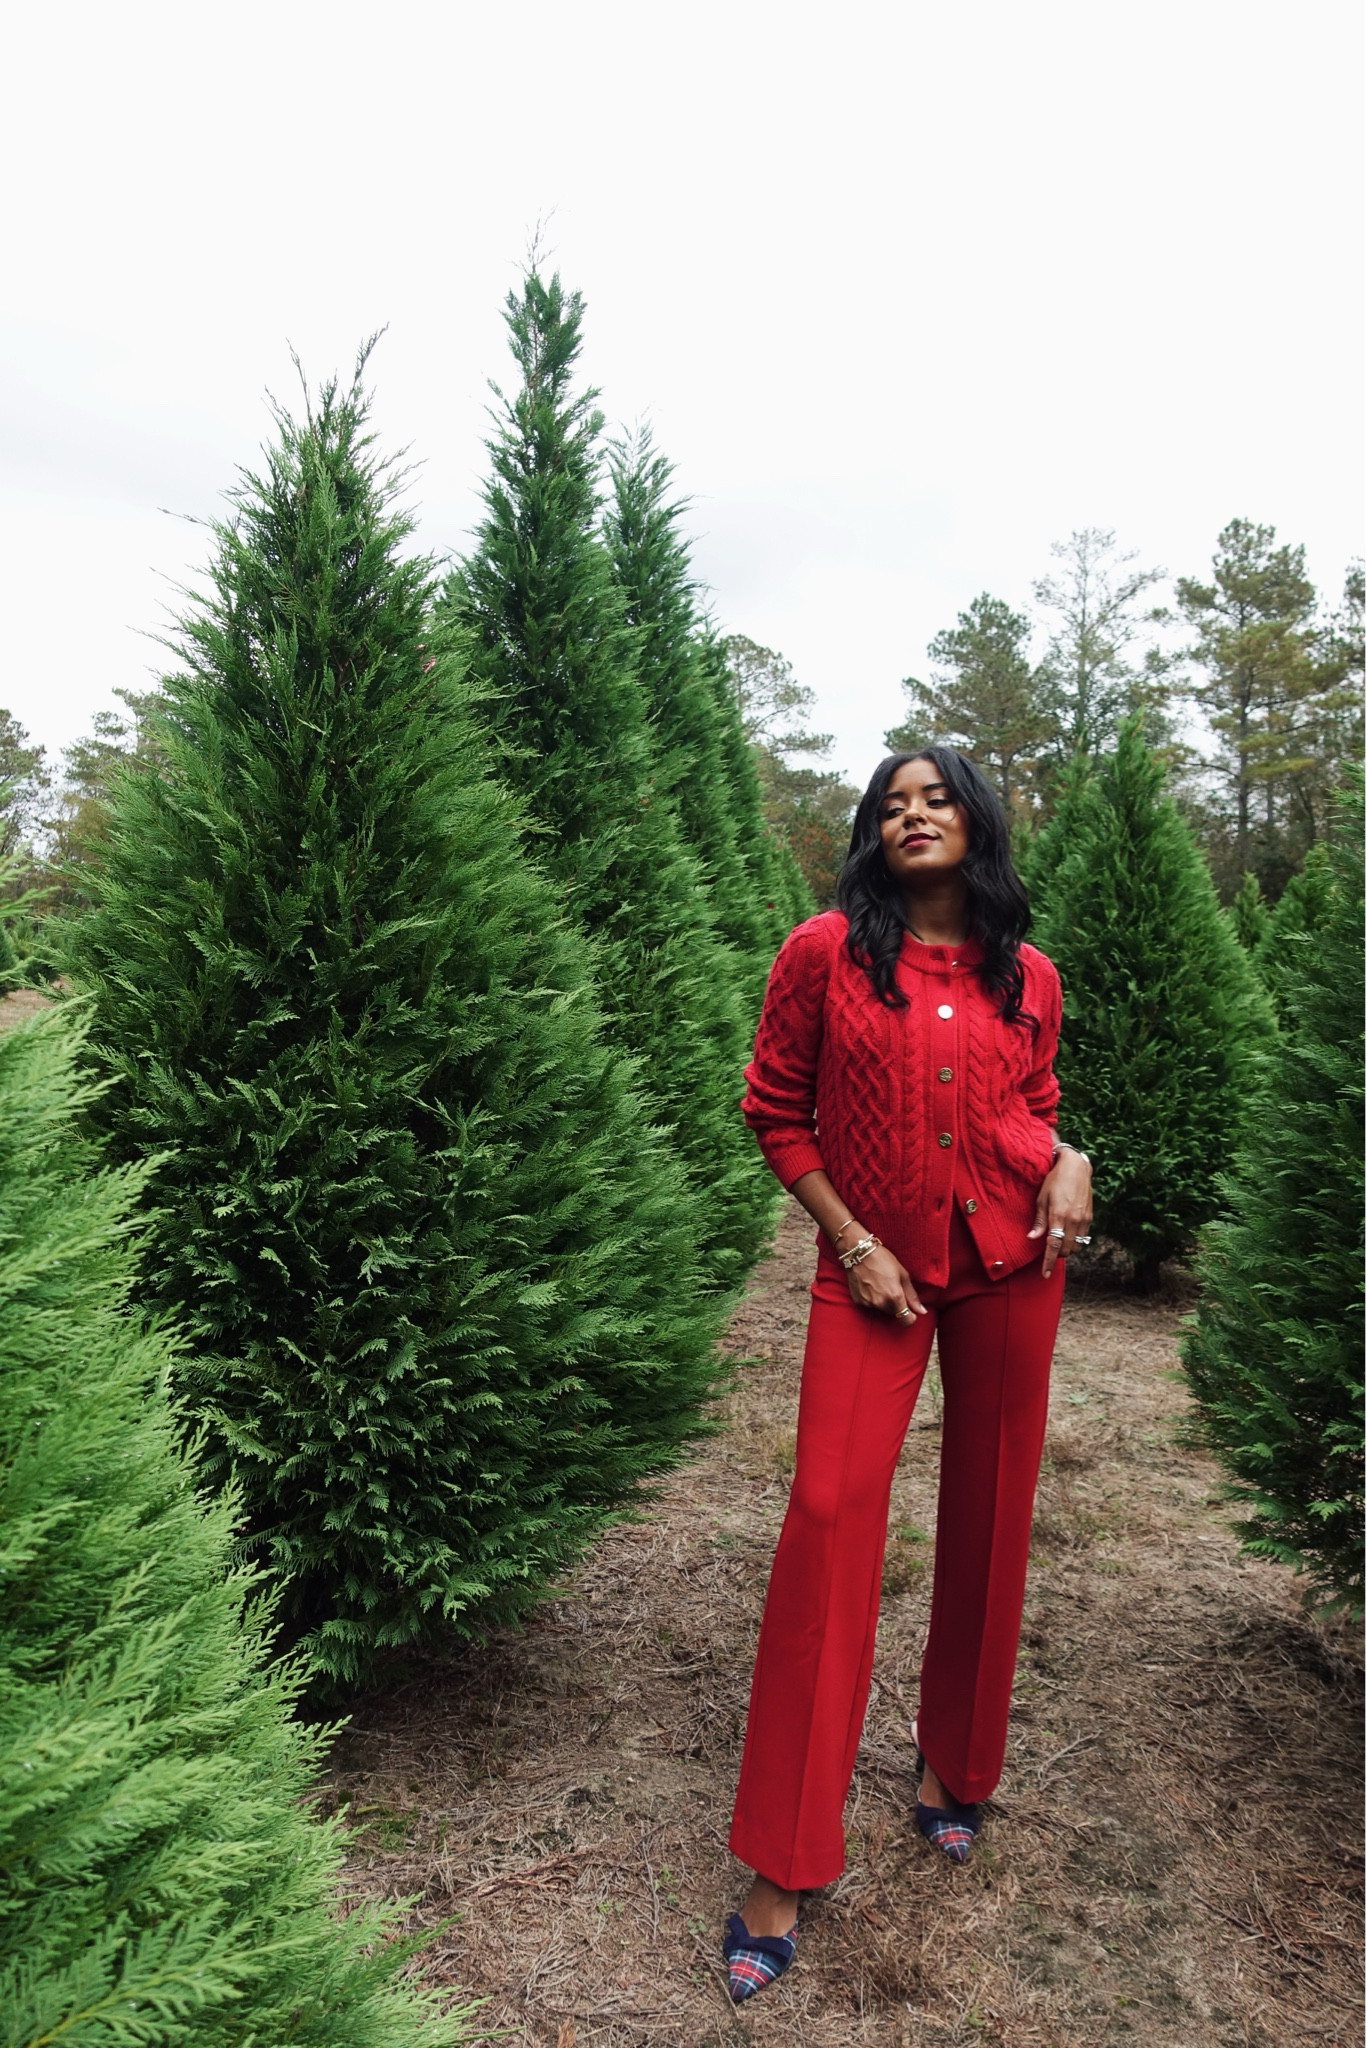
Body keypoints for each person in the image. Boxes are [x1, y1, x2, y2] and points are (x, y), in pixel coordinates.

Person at [720, 747, 1093, 2005]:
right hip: (866, 1273)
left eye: (935, 798)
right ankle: (781, 1860)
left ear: (976, 821)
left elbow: (1028, 1097)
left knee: (990, 1514)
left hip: (1009, 1262)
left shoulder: (1024, 970)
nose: (912, 814)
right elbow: (773, 1108)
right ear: (870, 836)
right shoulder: (822, 950)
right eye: (890, 803)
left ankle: (955, 1764)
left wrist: (1068, 1149)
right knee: (826, 1516)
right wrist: (852, 1237)